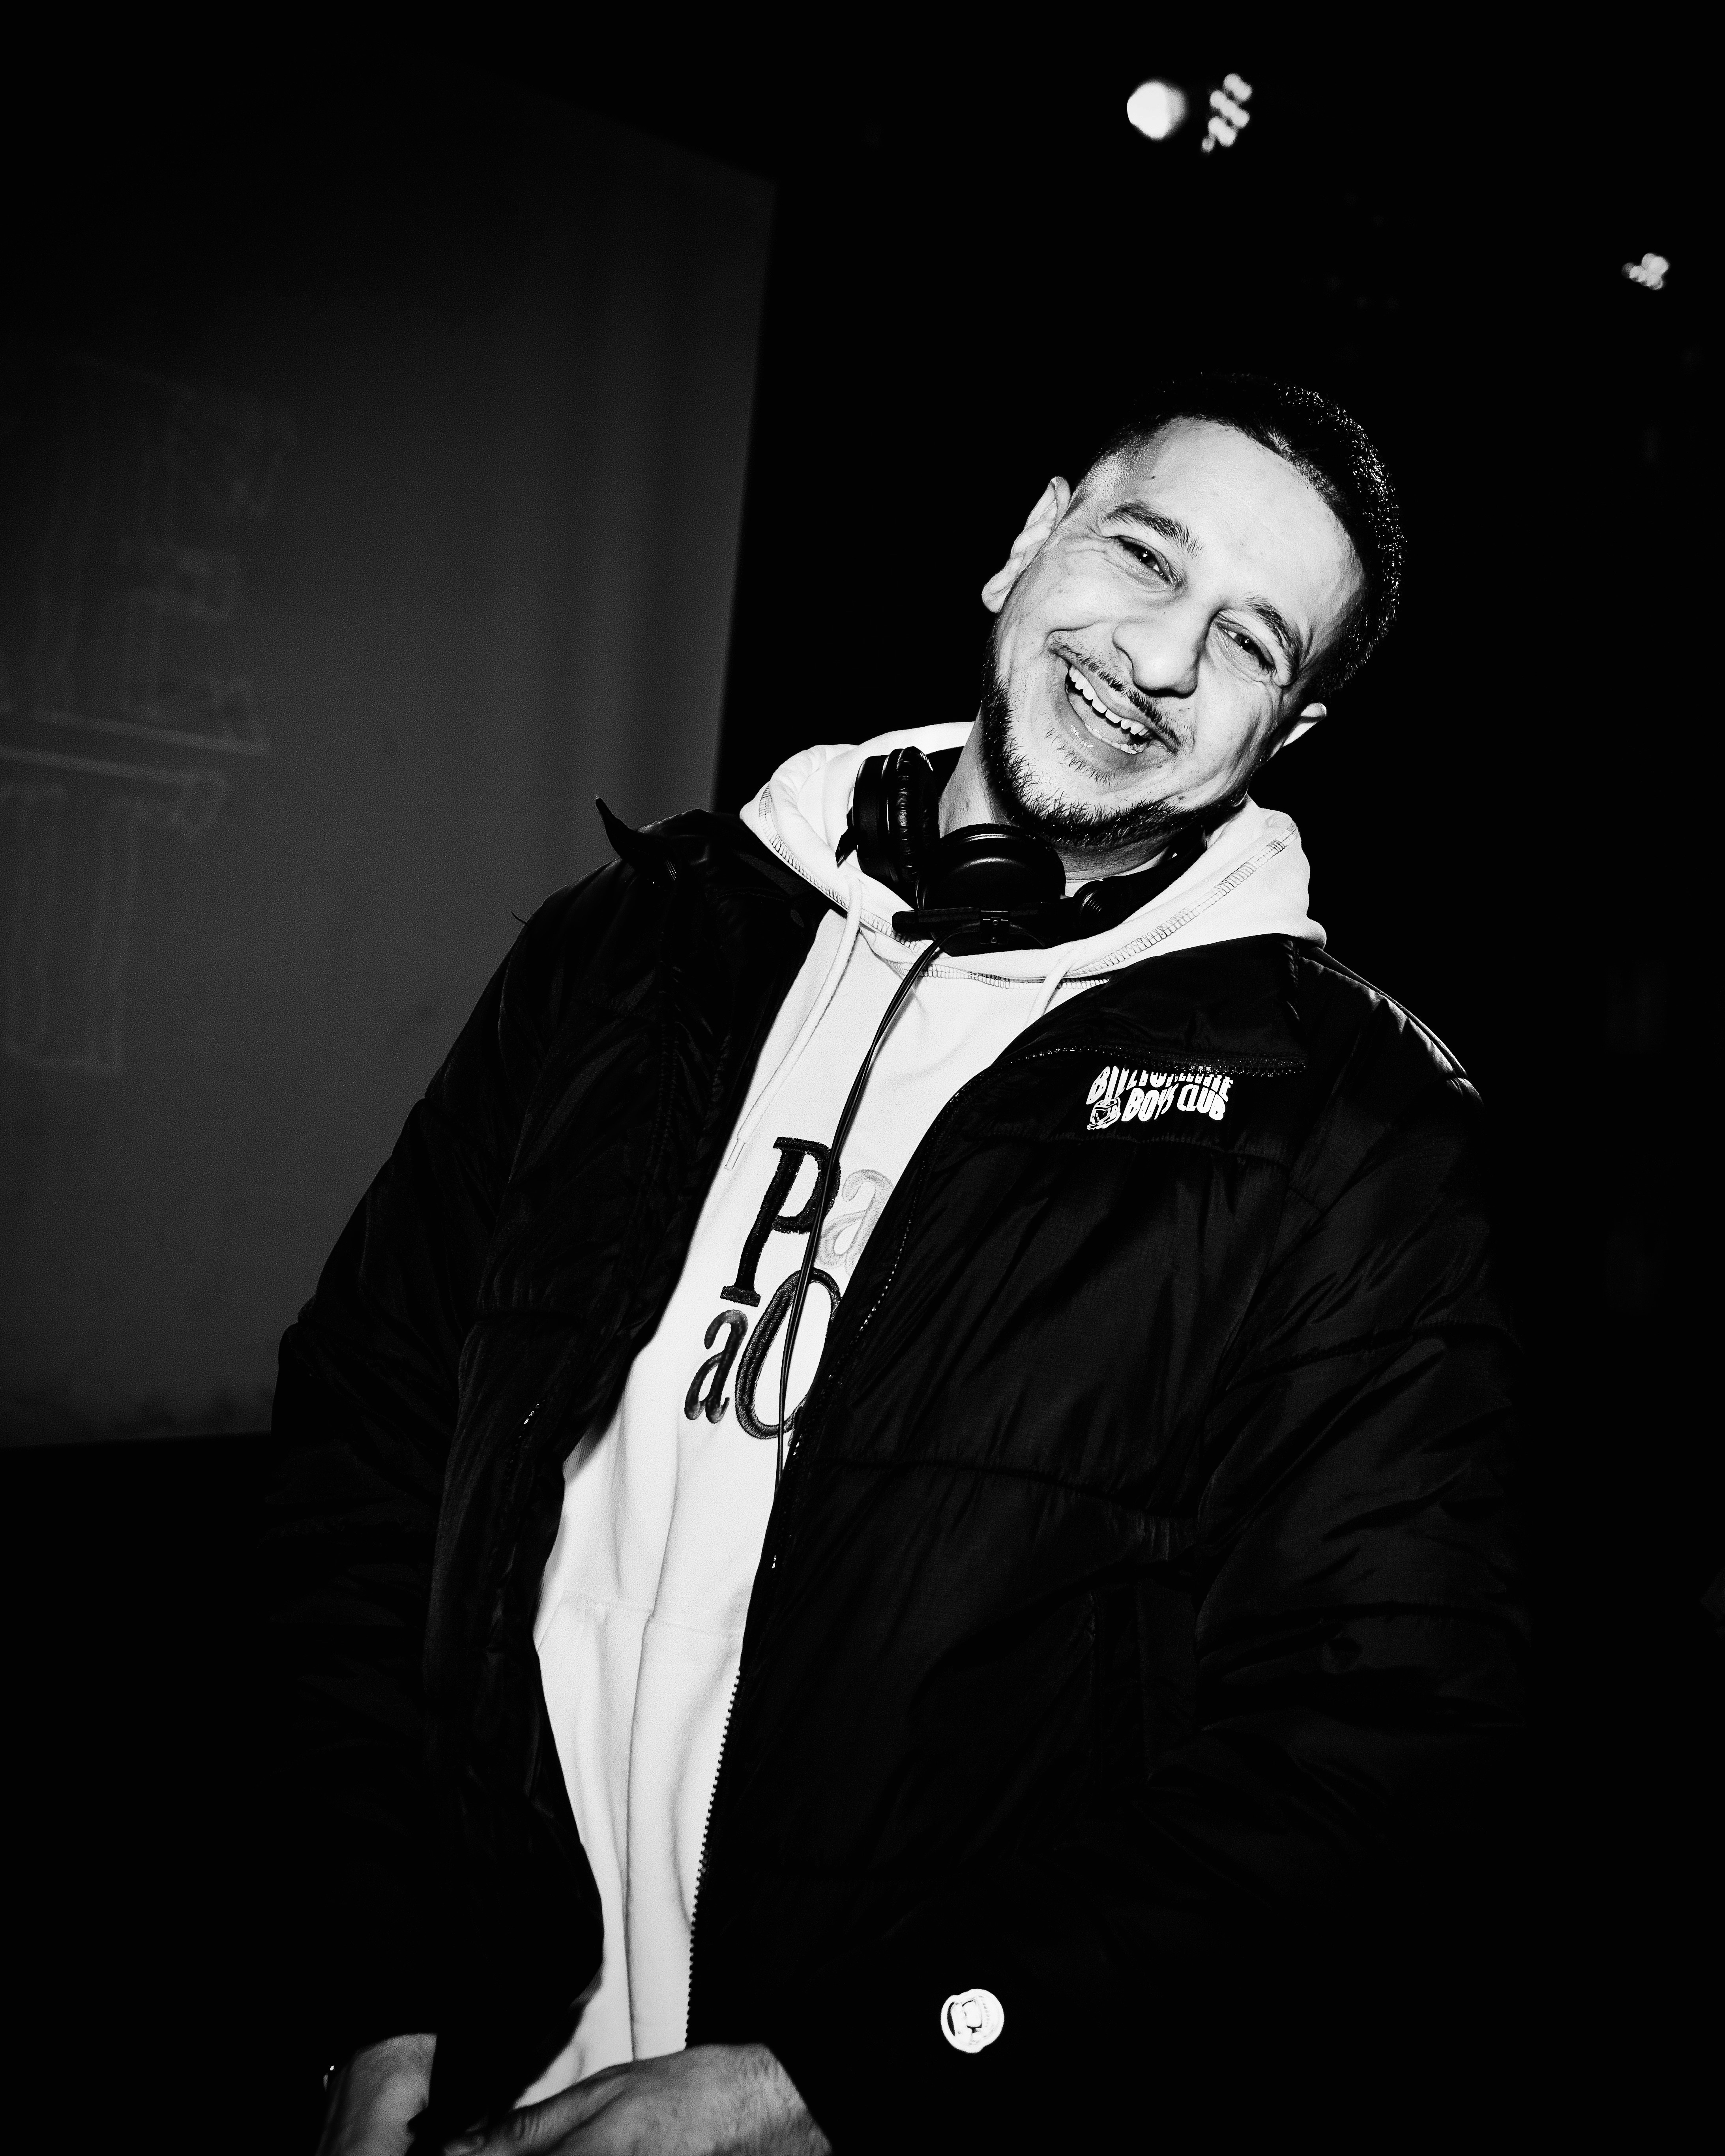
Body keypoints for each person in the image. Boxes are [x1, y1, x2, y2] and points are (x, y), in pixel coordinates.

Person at [272, 375, 1523, 2155]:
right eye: (1141, 554)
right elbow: (367, 1447)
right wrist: (373, 1984)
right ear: (1028, 541)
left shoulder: (1350, 1125)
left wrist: (840, 2081)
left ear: (1292, 727)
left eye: (1248, 640)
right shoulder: (631, 949)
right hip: (467, 2072)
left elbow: (1375, 1728)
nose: (1155, 659)